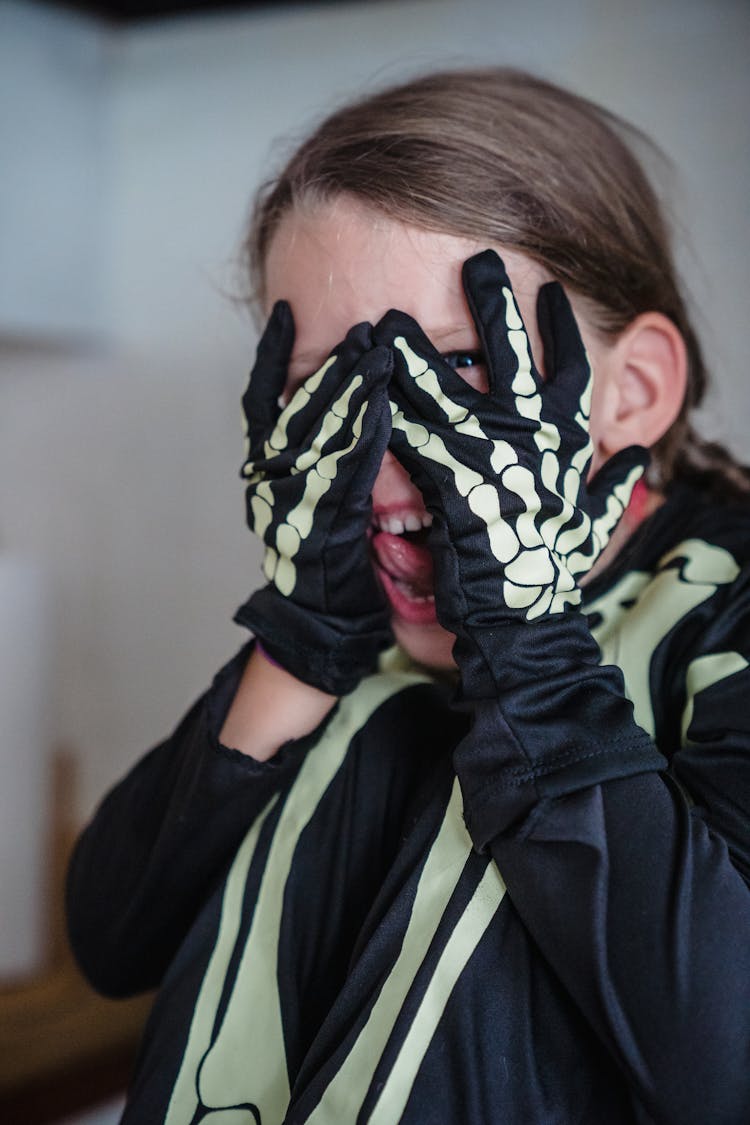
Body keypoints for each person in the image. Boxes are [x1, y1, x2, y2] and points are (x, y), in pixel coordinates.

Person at [66, 68, 750, 1124]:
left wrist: (526, 645)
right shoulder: (349, 618)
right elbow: (113, 938)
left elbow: (724, 1063)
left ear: (636, 387)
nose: (380, 461)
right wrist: (302, 641)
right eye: (319, 389)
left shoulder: (726, 614)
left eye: (462, 371)